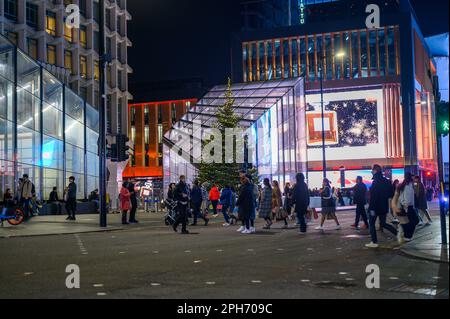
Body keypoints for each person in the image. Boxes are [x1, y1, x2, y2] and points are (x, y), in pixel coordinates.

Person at [365, 165, 398, 248]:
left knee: (371, 223)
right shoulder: (386, 181)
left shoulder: (376, 181)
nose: (371, 171)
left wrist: (371, 208)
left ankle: (374, 242)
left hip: (375, 207)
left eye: (372, 170)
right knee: (383, 223)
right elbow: (391, 193)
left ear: (375, 170)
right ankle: (398, 233)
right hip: (383, 205)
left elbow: (374, 196)